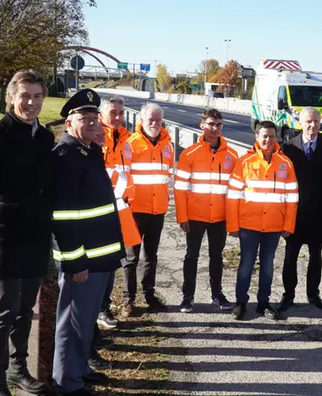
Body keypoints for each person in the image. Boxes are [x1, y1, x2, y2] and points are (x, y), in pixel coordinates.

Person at [0, 70, 53, 396]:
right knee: (4, 311)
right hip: (2, 236)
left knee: (26, 309)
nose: (30, 102)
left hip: (34, 236)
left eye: (37, 96)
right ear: (12, 97)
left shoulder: (44, 138)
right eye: (25, 95)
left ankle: (18, 370)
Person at [51, 89, 125, 396]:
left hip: (101, 257)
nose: (95, 124)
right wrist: (75, 262)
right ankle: (67, 382)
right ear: (69, 124)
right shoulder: (66, 157)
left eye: (96, 118)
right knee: (72, 325)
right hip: (83, 261)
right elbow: (63, 217)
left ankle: (79, 370)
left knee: (85, 323)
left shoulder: (88, 151)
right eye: (86, 119)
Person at [226, 121, 298, 321]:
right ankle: (241, 303)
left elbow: (292, 198)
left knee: (267, 266)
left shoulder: (286, 163)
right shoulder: (244, 163)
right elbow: (232, 197)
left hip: (274, 226)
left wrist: (288, 225)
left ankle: (263, 303)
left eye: (272, 136)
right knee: (246, 265)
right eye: (264, 136)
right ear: (257, 137)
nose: (268, 140)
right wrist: (232, 225)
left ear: (277, 138)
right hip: (249, 225)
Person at [174, 108, 239, 313]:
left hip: (220, 217)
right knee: (191, 256)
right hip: (195, 216)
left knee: (216, 257)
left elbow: (236, 189)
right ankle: (187, 297)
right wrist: (182, 217)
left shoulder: (232, 155)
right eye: (211, 124)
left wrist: (233, 220)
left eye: (219, 125)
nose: (215, 128)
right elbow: (179, 188)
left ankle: (217, 295)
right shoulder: (189, 154)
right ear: (202, 126)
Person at [278, 107, 322, 311]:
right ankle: (288, 294)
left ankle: (313, 294)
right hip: (295, 214)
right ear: (301, 123)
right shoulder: (289, 147)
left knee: (316, 257)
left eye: (316, 122)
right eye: (309, 121)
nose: (312, 126)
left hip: (319, 212)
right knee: (290, 256)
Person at [121, 103, 174, 314]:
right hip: (134, 210)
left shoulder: (168, 145)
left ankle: (149, 295)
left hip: (157, 210)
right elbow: (122, 177)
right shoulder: (130, 144)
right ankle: (128, 299)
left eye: (158, 120)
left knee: (151, 256)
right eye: (150, 119)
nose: (154, 123)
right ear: (141, 120)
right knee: (130, 258)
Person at [97, 97, 141, 328]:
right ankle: (99, 310)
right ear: (101, 115)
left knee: (113, 262)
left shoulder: (126, 140)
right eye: (113, 113)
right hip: (101, 212)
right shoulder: (96, 137)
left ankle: (103, 309)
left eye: (121, 113)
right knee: (102, 265)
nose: (117, 117)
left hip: (121, 210)